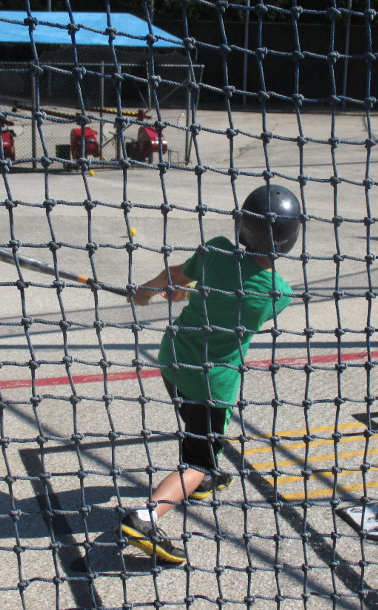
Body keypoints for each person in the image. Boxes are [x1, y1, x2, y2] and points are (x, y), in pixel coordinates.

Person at [118, 184, 301, 563]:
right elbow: (230, 296)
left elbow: (178, 275)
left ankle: (206, 474)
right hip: (211, 383)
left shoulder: (215, 248)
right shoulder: (277, 294)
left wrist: (145, 294)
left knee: (197, 426)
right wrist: (197, 292)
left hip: (172, 360)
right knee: (196, 461)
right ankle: (144, 517)